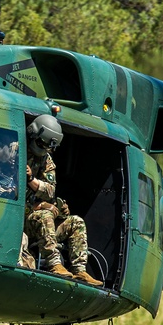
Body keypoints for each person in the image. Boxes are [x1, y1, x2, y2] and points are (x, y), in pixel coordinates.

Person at [24, 115, 102, 286]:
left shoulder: (46, 160)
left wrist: (32, 181)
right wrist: (39, 206)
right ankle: (54, 264)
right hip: (21, 221)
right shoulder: (16, 152)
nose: (43, 150)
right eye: (41, 145)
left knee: (76, 222)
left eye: (47, 148)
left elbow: (50, 191)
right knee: (44, 215)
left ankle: (80, 270)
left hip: (38, 221)